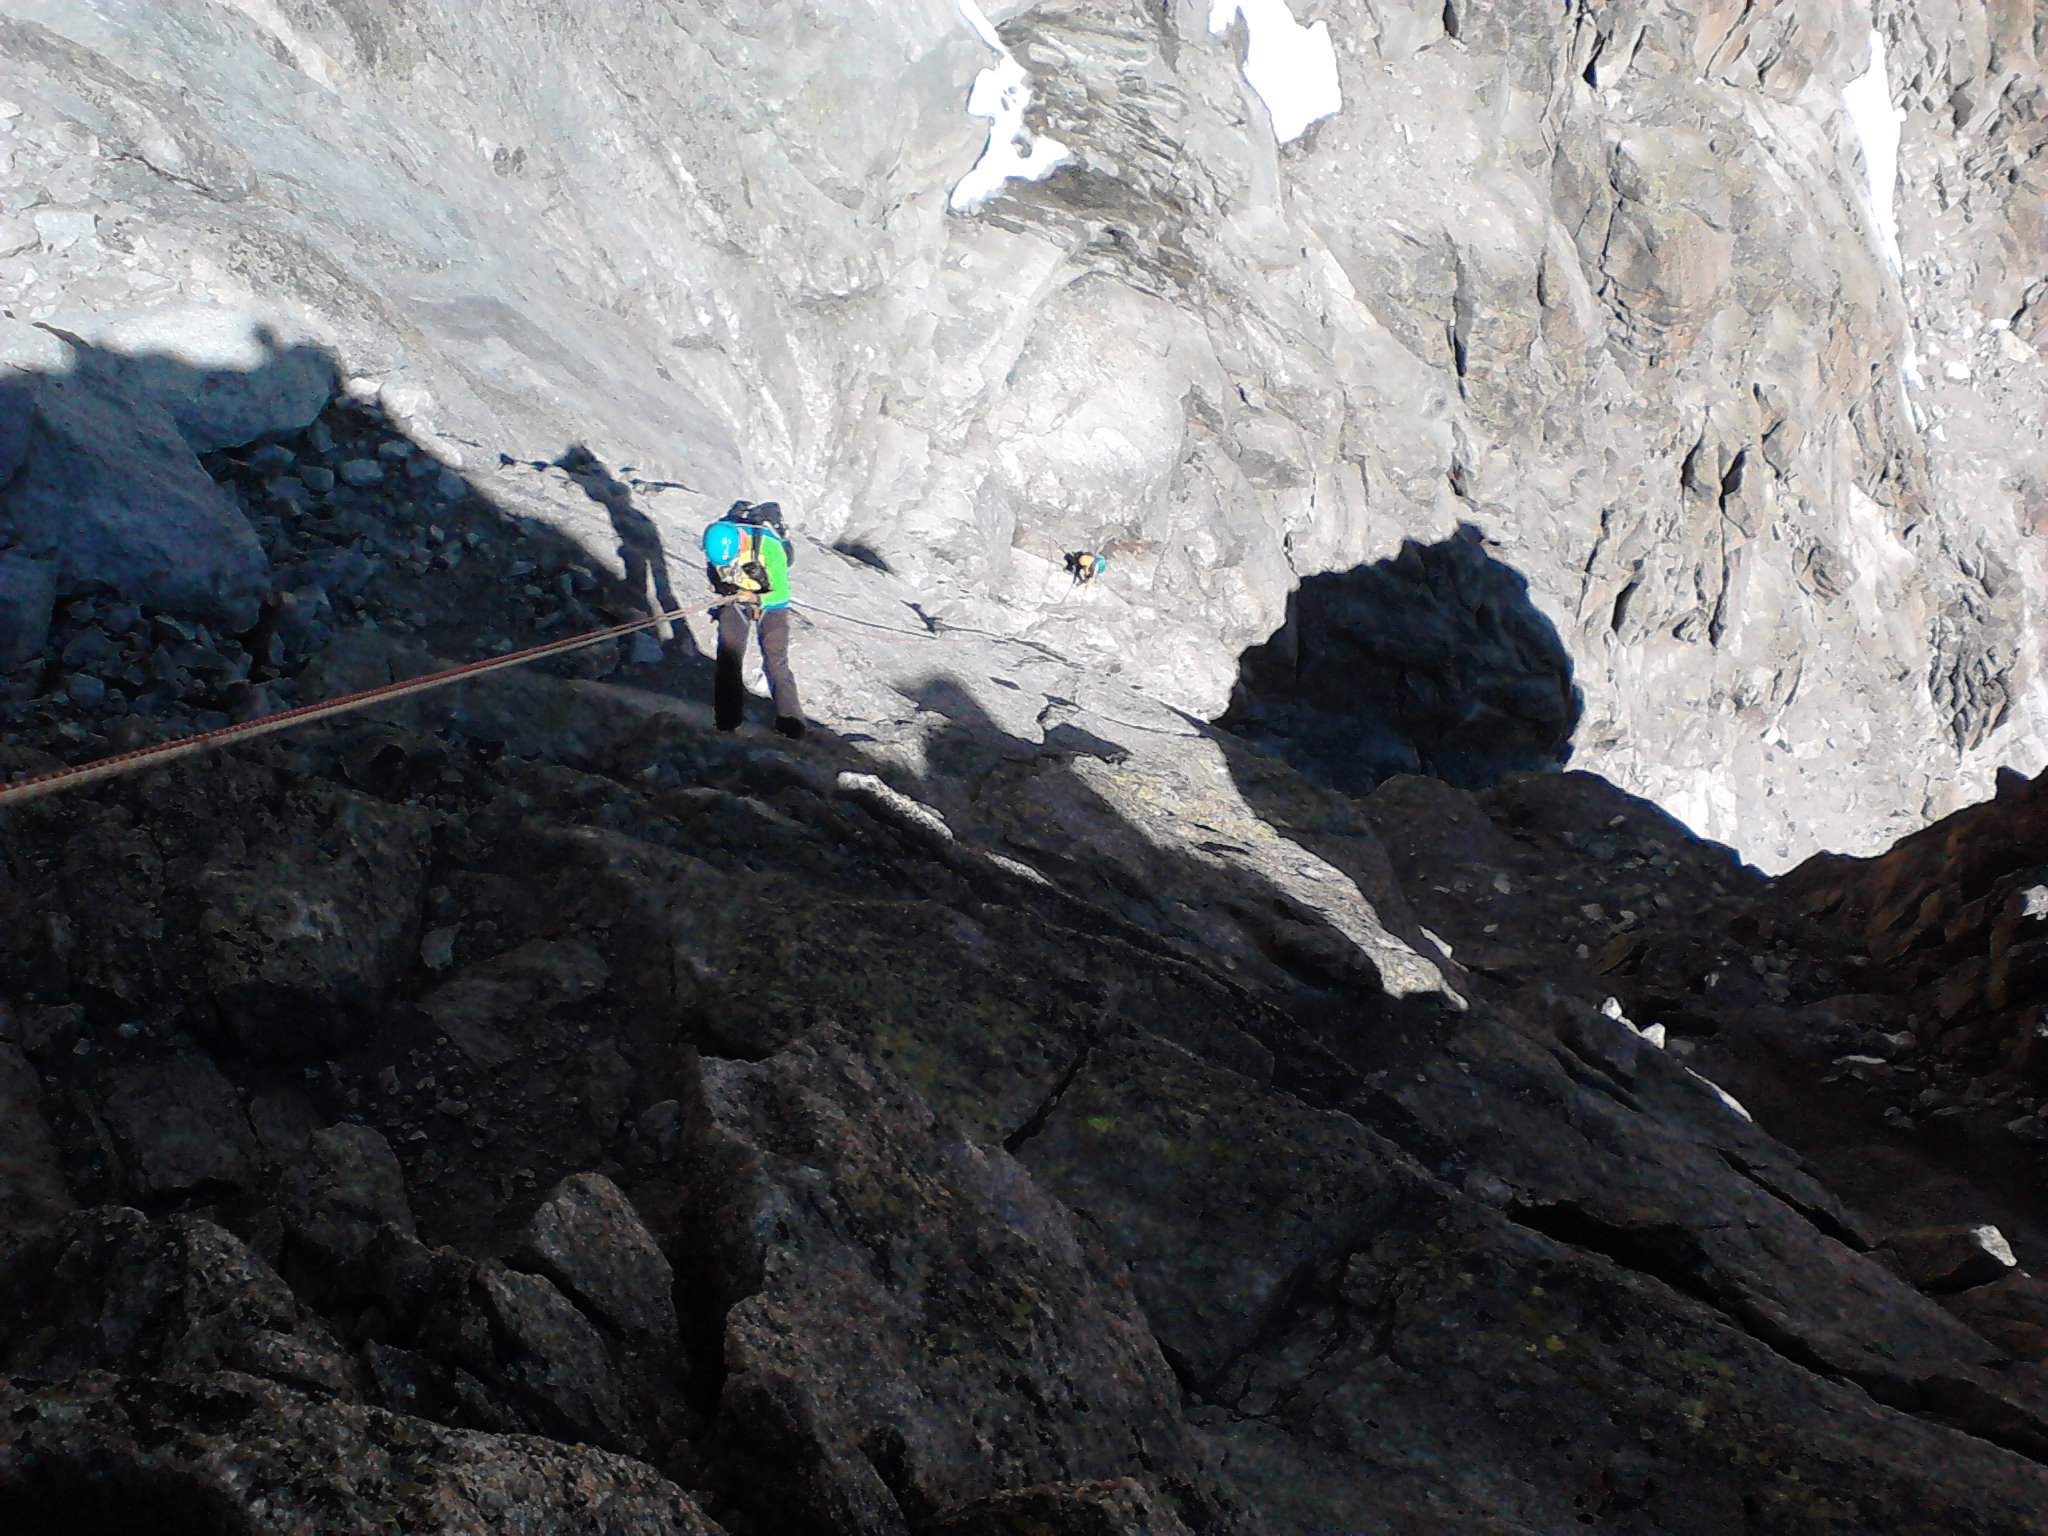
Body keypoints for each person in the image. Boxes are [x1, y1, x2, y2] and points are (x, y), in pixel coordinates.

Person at [703, 500, 804, 739]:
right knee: (728, 658)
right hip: (738, 597)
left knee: (776, 663)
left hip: (771, 603)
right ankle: (727, 722)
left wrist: (755, 598)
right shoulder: (718, 545)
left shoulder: (769, 547)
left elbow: (782, 594)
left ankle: (792, 726)